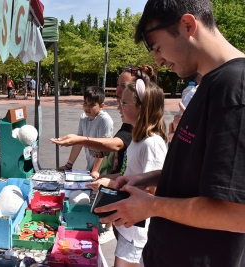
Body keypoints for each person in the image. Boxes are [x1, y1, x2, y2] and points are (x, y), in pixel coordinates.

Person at [94, 1, 245, 266]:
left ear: (187, 25)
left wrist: (152, 205)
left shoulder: (234, 89)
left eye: (158, 47)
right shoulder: (210, 82)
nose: (158, 61)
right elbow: (199, 174)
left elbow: (236, 213)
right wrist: (144, 178)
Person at [51, 66, 155, 244]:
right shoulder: (134, 130)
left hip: (136, 230)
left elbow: (151, 187)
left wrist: (83, 141)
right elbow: (127, 170)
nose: (118, 92)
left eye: (123, 86)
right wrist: (113, 179)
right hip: (127, 222)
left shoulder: (150, 141)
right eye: (117, 85)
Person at [87, 78, 167, 267]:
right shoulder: (139, 139)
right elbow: (131, 173)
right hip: (128, 226)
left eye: (124, 103)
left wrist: (112, 185)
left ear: (142, 107)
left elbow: (154, 192)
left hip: (138, 232)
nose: (119, 107)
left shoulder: (152, 143)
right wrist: (107, 178)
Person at [58, 86, 114, 179]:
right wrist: (69, 165)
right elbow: (78, 143)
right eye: (85, 103)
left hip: (103, 170)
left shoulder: (105, 119)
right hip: (90, 168)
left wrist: (95, 170)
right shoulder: (83, 117)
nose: (87, 107)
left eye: (92, 105)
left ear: (101, 106)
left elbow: (103, 146)